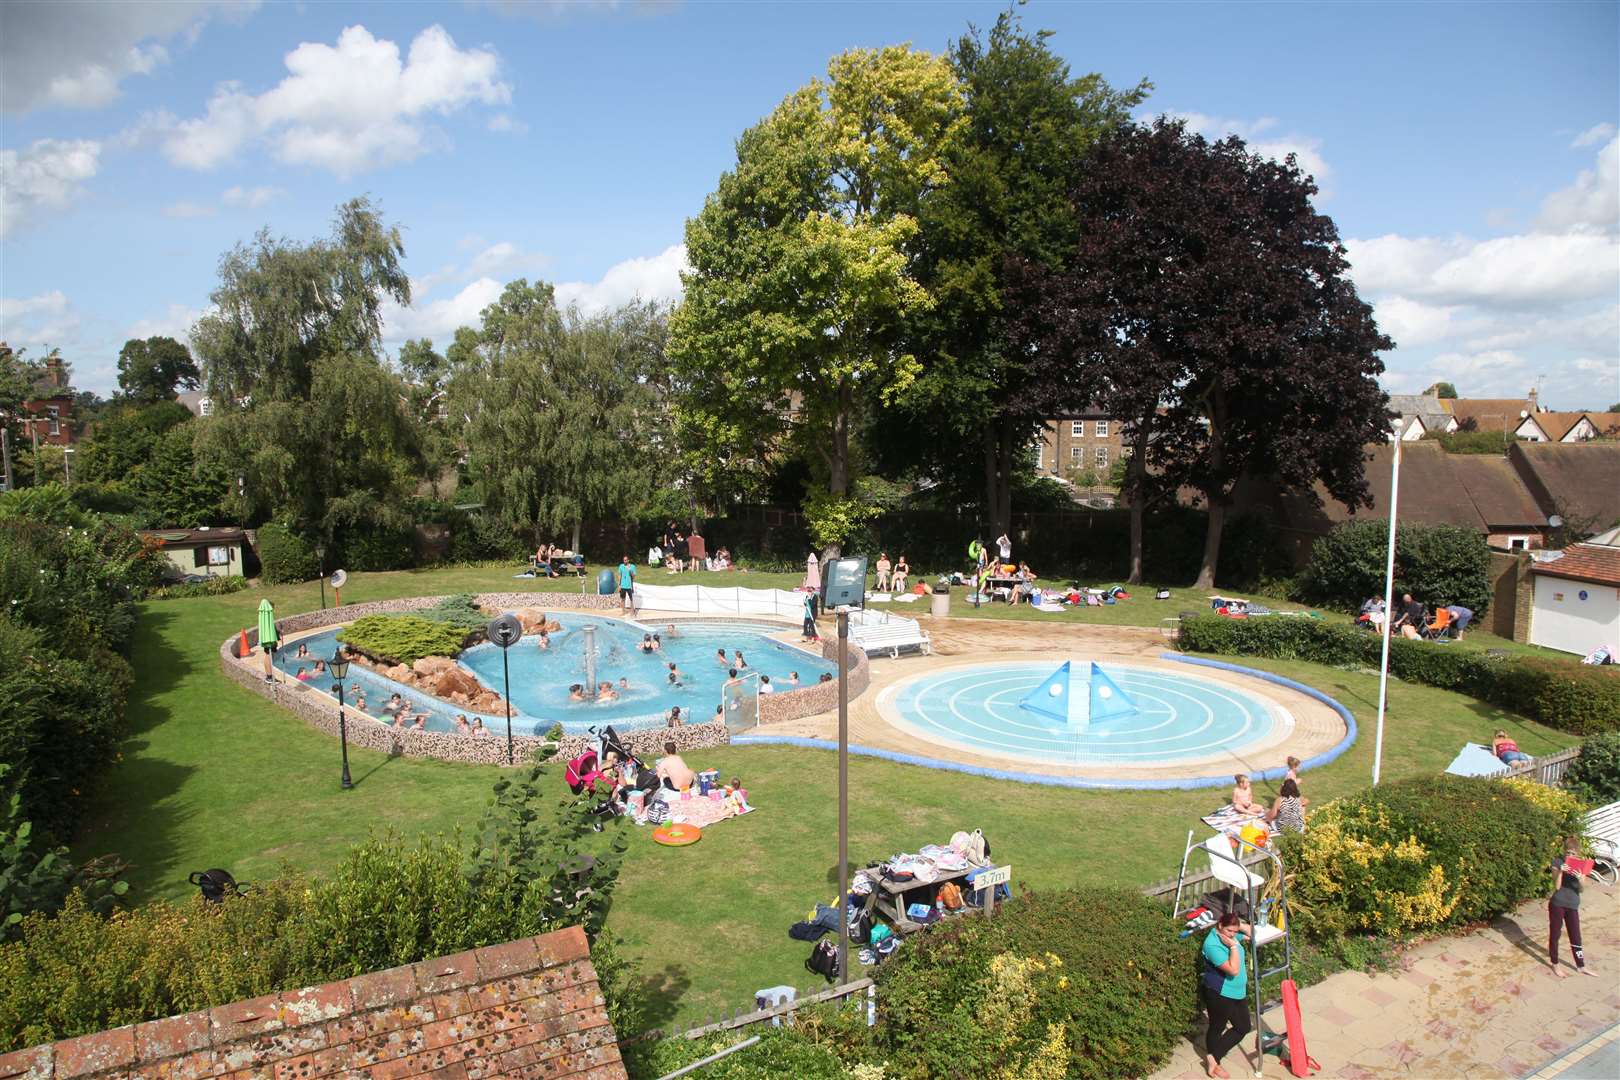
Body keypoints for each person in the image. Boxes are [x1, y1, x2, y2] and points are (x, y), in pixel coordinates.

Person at [1201, 913, 1253, 1079]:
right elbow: (1233, 970)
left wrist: (1240, 926)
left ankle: (1212, 1057)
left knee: (1243, 1027)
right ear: (1219, 926)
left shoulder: (1229, 935)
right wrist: (1232, 947)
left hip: (1237, 991)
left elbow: (1253, 934)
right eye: (1229, 930)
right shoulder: (1212, 944)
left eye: (1234, 931)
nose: (1232, 934)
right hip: (1220, 993)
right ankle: (1215, 1064)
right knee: (1217, 1027)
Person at [1549, 838, 1596, 979]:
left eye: (1573, 854)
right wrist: (1561, 872)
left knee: (1576, 935)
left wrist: (1581, 878)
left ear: (1578, 854)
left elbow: (1581, 890)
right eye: (1568, 853)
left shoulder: (1582, 865)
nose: (1570, 856)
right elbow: (1556, 887)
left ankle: (1581, 965)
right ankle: (1555, 963)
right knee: (1555, 934)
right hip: (1558, 903)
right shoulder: (1557, 862)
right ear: (1564, 852)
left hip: (1573, 905)